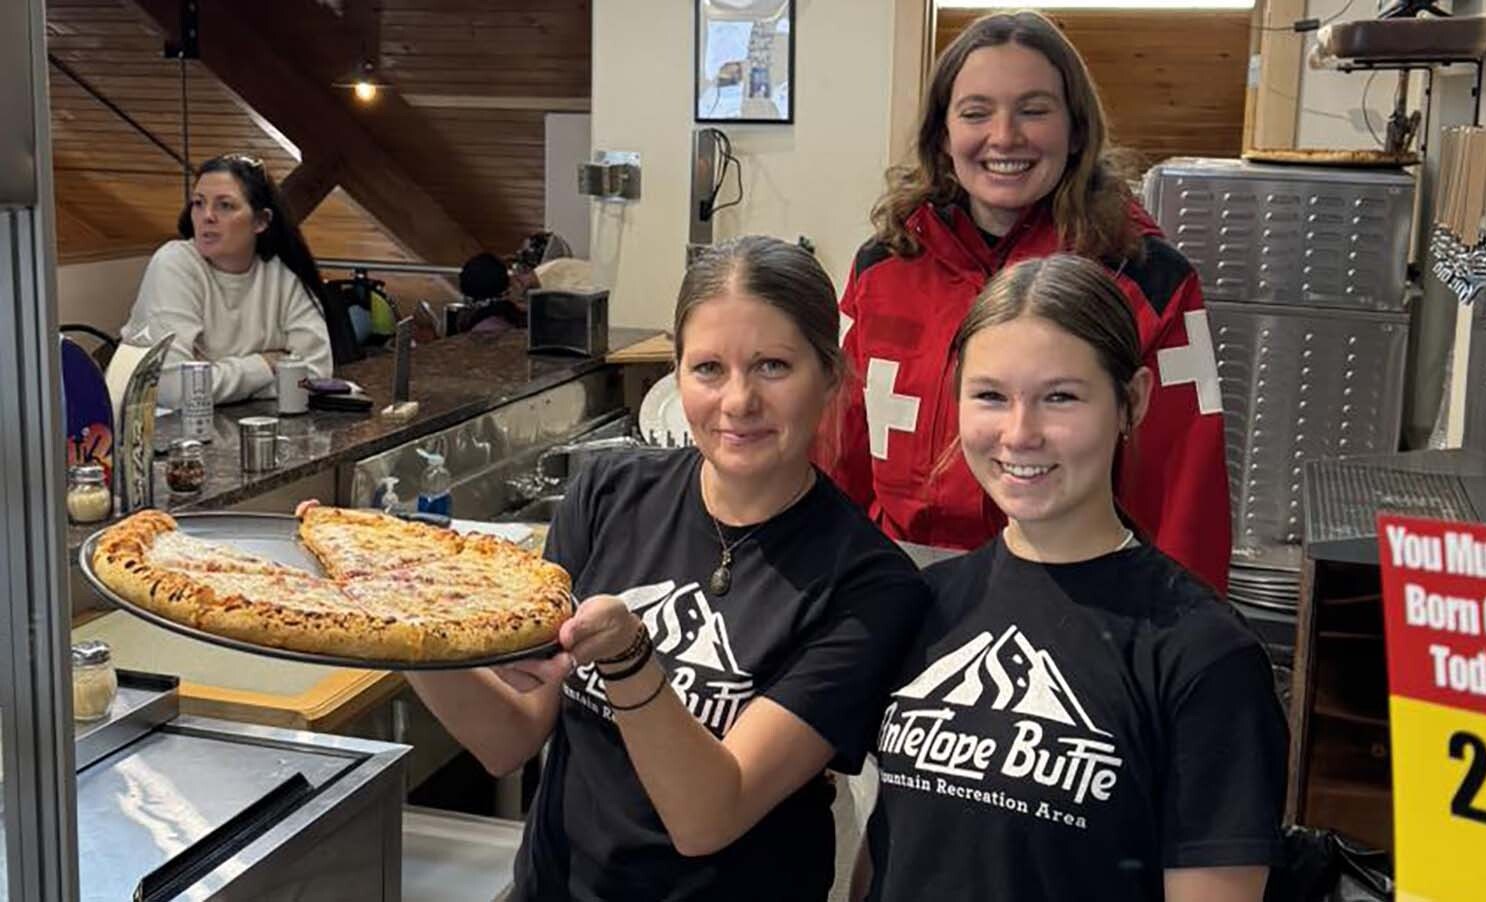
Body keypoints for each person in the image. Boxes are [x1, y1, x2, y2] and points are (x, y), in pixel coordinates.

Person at [407, 235, 929, 901]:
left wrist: (629, 660)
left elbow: (709, 816)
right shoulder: (610, 492)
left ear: (831, 375)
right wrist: (397, 626)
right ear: (675, 373)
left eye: (773, 366)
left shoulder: (868, 586)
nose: (738, 402)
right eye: (708, 368)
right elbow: (510, 735)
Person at [859, 255, 1285, 902]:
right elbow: (891, 850)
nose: (1019, 433)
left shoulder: (1205, 655)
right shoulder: (926, 605)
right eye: (991, 396)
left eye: (1060, 397)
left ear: (1131, 402)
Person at [823, 10, 1231, 592]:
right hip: (894, 590)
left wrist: (1185, 637)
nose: (1005, 136)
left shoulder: (1145, 278)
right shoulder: (883, 267)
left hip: (1079, 595)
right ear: (942, 133)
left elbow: (1185, 492)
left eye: (1034, 110)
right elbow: (840, 450)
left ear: (1076, 130)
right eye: (976, 112)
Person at [120, 153, 339, 407]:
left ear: (261, 221)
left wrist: (209, 378)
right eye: (198, 203)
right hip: (156, 434)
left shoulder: (282, 275)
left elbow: (316, 374)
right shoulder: (174, 263)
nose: (207, 216)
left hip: (243, 424)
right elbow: (173, 389)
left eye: (225, 205)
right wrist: (266, 364)